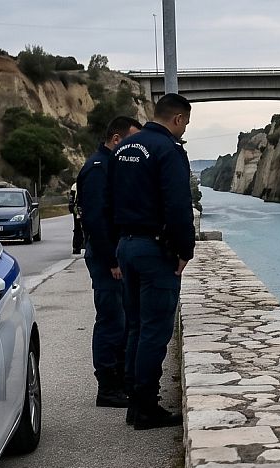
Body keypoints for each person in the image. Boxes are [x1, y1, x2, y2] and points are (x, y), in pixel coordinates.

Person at [107, 94, 195, 430]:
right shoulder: (168, 150)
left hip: (126, 246)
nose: (184, 129)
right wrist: (184, 250)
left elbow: (109, 201)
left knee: (136, 327)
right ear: (177, 119)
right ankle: (145, 407)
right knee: (154, 331)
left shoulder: (124, 149)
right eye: (185, 123)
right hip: (155, 251)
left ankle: (134, 401)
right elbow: (177, 205)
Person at [77, 115, 143, 409]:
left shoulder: (112, 166)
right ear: (117, 140)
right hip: (107, 258)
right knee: (111, 321)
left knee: (123, 320)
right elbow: (94, 220)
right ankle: (107, 387)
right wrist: (111, 261)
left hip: (116, 255)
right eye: (132, 141)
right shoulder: (98, 169)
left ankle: (120, 381)